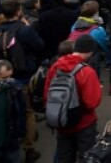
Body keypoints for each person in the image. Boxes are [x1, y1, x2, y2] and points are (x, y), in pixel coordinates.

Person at [44, 33, 104, 163]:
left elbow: (47, 95)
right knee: (86, 156)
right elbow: (91, 103)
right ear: (90, 51)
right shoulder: (87, 71)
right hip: (84, 123)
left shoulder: (56, 67)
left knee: (64, 156)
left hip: (62, 121)